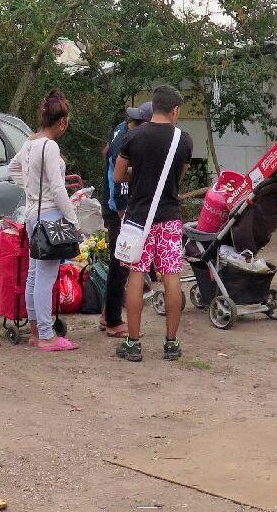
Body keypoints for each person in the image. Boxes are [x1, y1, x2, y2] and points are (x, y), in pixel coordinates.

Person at [113, 85, 193, 362]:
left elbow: (118, 176)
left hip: (138, 219)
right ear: (174, 110)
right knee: (172, 277)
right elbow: (178, 175)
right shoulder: (184, 141)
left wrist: (139, 173)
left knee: (136, 277)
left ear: (153, 107)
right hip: (170, 218)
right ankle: (171, 344)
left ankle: (133, 344)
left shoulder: (134, 137)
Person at [8, 90, 80, 351]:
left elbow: (12, 168)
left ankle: (37, 331)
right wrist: (73, 219)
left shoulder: (30, 142)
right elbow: (59, 189)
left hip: (32, 215)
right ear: (61, 122)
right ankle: (48, 335)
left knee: (34, 274)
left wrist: (30, 190)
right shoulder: (50, 146)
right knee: (46, 276)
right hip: (50, 216)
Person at [99, 101, 153, 338]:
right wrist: (123, 218)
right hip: (116, 208)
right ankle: (113, 321)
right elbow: (118, 182)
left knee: (118, 261)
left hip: (111, 204)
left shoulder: (121, 127)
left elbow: (106, 153)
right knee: (120, 262)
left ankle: (106, 315)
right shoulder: (127, 140)